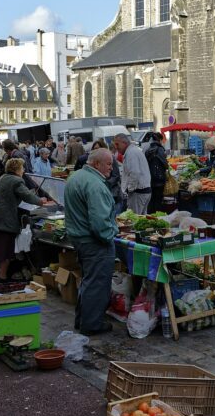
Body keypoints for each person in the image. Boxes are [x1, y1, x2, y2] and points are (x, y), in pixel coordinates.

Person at [64, 148, 117, 336]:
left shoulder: (76, 176)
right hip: (94, 242)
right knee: (97, 283)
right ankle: (92, 324)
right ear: (96, 164)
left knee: (88, 281)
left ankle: (83, 320)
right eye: (109, 164)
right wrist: (111, 235)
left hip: (80, 239)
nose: (112, 168)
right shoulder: (95, 184)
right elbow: (100, 224)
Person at [0, 158, 49, 284]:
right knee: (5, 252)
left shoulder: (3, 178)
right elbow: (27, 195)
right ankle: (2, 278)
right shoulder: (16, 180)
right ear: (17, 169)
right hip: (5, 222)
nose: (23, 170)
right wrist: (41, 201)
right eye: (22, 168)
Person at [114, 133, 151, 214]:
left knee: (134, 220)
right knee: (141, 220)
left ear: (124, 143)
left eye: (117, 144)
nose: (116, 147)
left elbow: (135, 173)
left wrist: (130, 189)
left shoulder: (131, 153)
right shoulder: (133, 151)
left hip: (138, 192)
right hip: (142, 191)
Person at [144, 134, 169, 214]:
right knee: (158, 200)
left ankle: (150, 217)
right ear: (160, 140)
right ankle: (158, 217)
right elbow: (165, 164)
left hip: (150, 179)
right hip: (159, 179)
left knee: (152, 200)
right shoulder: (160, 149)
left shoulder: (148, 149)